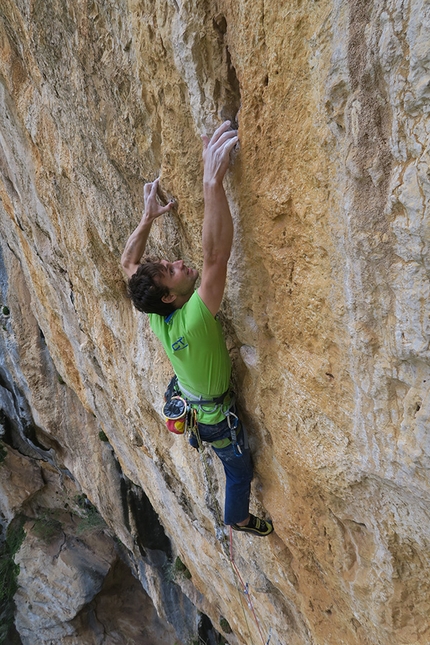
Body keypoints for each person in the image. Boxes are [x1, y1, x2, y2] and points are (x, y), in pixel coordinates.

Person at [121, 121, 273, 537]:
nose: (177, 263)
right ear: (170, 296)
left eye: (168, 262)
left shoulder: (157, 313)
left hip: (192, 397)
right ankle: (238, 519)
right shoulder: (196, 318)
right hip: (214, 419)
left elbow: (128, 266)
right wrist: (212, 183)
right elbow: (215, 257)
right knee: (238, 468)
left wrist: (147, 217)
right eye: (171, 271)